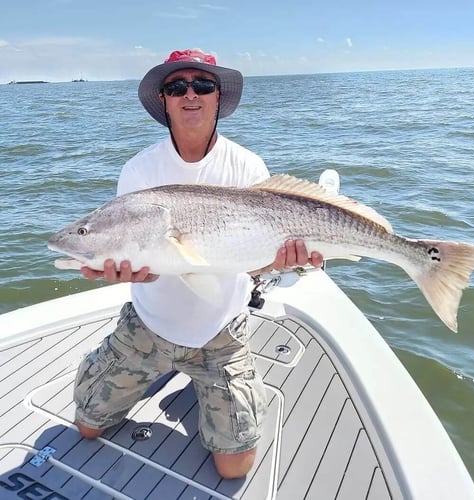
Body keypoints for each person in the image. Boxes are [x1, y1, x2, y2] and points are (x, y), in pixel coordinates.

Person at [74, 49, 323, 479]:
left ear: (217, 97)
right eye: (177, 87)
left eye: (202, 85)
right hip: (148, 325)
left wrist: (285, 262)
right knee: (87, 428)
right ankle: (144, 368)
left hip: (220, 331)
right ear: (165, 100)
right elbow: (148, 262)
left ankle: (206, 381)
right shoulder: (139, 171)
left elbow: (254, 262)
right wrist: (129, 269)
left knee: (233, 468)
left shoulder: (246, 165)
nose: (190, 94)